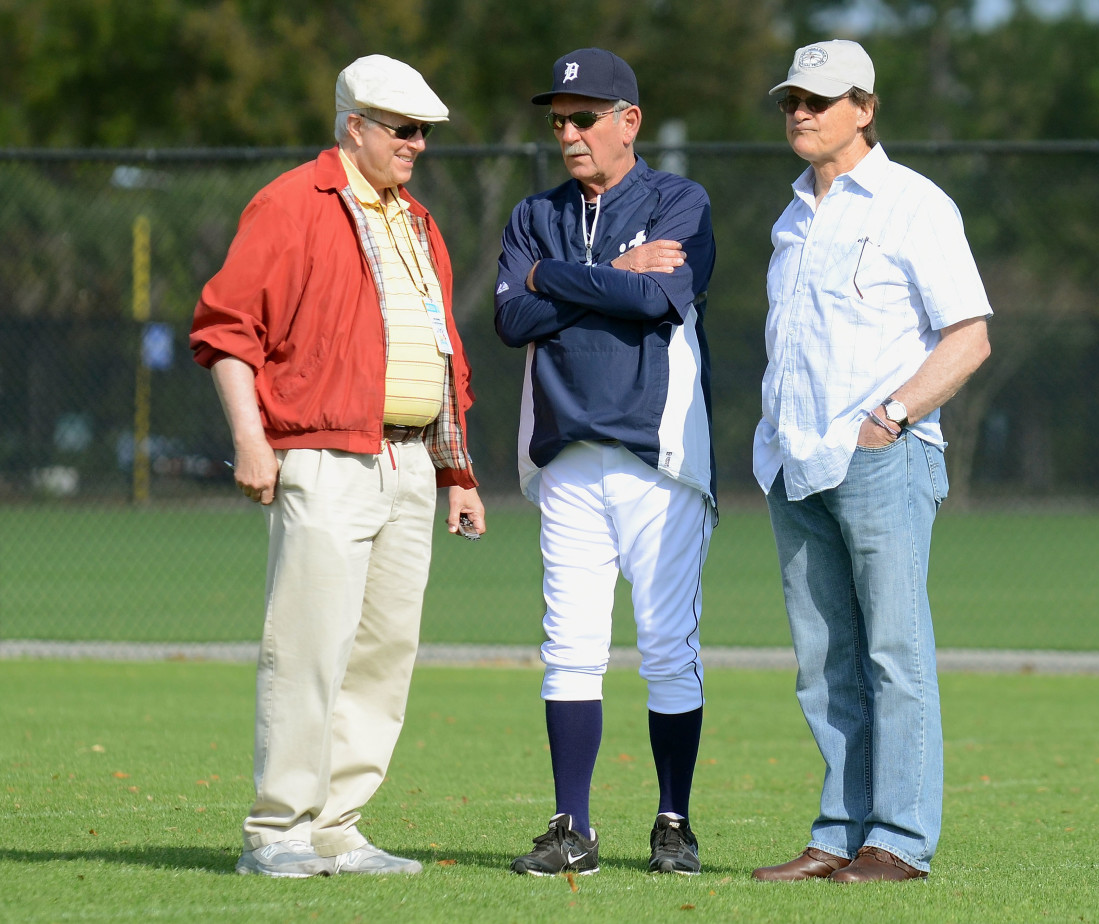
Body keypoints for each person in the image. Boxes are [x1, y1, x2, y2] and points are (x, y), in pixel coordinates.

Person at [189, 54, 485, 878]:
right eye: (403, 129)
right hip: (323, 457)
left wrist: (456, 474)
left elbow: (440, 350)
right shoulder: (291, 203)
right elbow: (225, 328)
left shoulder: (418, 221)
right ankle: (277, 831)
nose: (418, 144)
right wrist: (252, 439)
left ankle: (336, 827)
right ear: (354, 125)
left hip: (410, 465)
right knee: (309, 648)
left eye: (425, 131)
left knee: (384, 653)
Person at [750, 40, 992, 884]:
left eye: (820, 99)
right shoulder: (791, 215)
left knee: (895, 654)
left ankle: (899, 843)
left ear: (866, 107)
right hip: (795, 463)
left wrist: (890, 417)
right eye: (792, 100)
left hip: (882, 457)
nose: (801, 113)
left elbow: (970, 336)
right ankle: (837, 834)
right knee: (825, 663)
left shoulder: (913, 204)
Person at [494, 47, 717, 877]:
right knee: (570, 645)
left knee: (667, 645)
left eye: (585, 116)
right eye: (558, 119)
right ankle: (572, 830)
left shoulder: (677, 200)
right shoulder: (534, 215)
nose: (569, 132)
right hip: (565, 454)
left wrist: (558, 281)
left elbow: (659, 298)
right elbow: (512, 320)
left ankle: (673, 823)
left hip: (657, 455)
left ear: (630, 121)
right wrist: (602, 273)